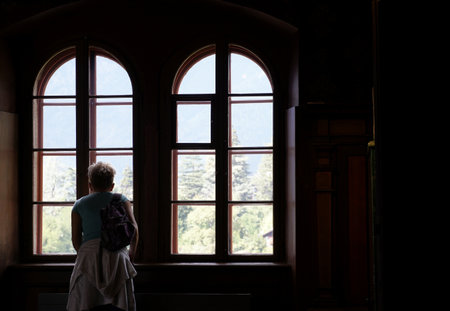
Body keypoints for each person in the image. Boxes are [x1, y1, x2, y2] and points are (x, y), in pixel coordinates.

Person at [67, 162, 139, 311]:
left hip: (88, 259)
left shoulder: (79, 204)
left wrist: (88, 252)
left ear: (90, 185)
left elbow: (76, 241)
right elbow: (134, 229)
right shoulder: (122, 200)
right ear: (112, 186)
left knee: (86, 304)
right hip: (117, 257)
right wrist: (130, 254)